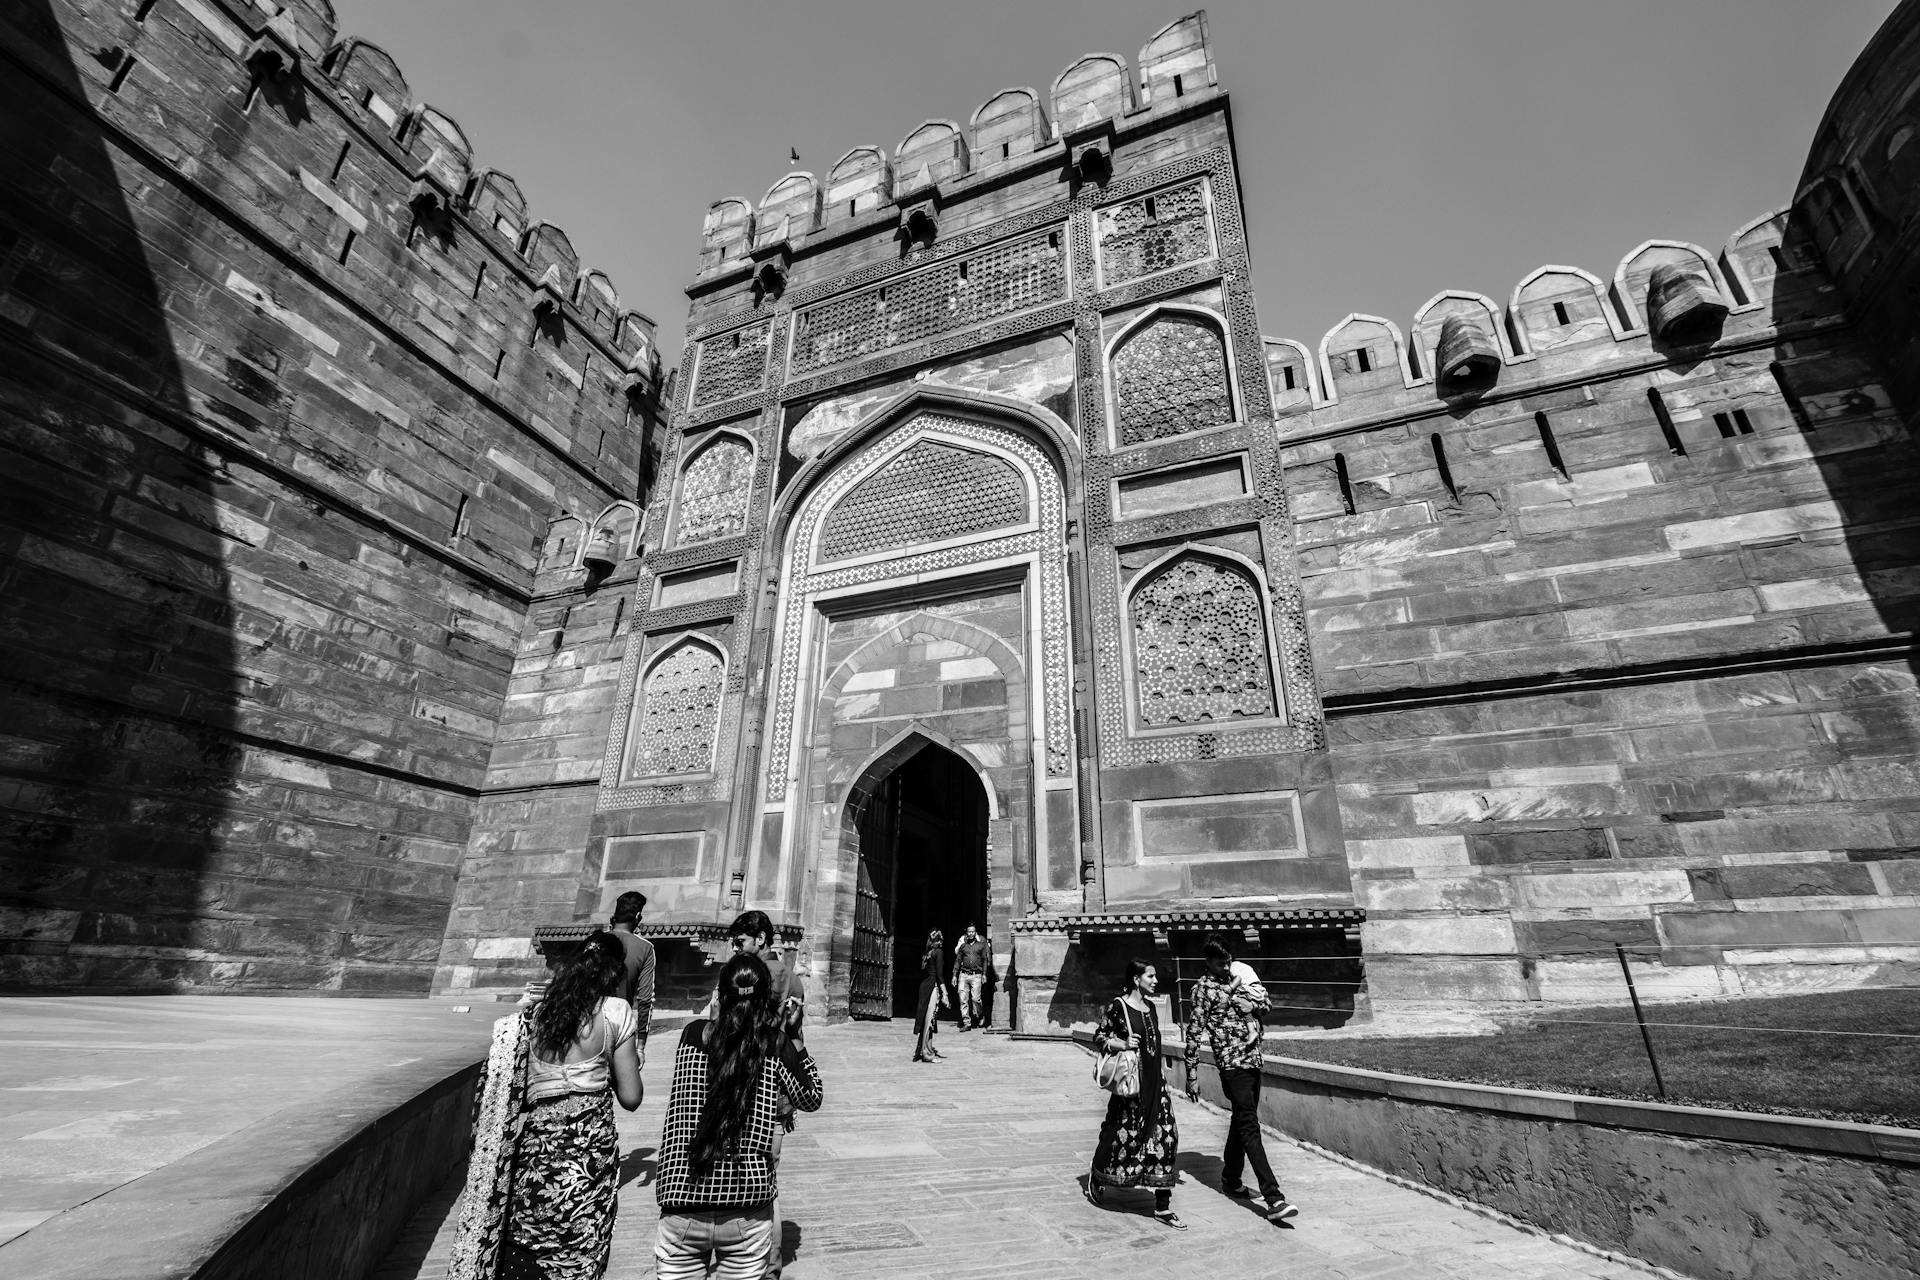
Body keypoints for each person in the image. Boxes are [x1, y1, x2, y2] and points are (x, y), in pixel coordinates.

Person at [449, 929, 644, 1280]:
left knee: (526, 1246)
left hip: (536, 1155)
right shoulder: (615, 1011)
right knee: (576, 1255)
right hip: (585, 1161)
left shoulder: (537, 1017)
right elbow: (631, 1098)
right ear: (614, 974)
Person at [654, 952, 823, 1280]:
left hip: (683, 1197)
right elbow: (811, 1097)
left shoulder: (692, 1037)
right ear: (767, 1000)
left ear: (719, 996)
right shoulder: (774, 1045)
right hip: (747, 1202)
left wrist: (715, 1017)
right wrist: (796, 1039)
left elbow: (723, 1043)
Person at [700, 910, 806, 1278]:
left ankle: (745, 1257)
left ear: (760, 939)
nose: (735, 948)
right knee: (766, 1183)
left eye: (741, 941)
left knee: (741, 1177)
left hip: (735, 1089)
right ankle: (766, 1264)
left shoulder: (744, 977)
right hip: (771, 1095)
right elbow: (794, 1043)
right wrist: (789, 1099)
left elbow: (715, 1031)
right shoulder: (792, 980)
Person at [1182, 936, 1297, 1222]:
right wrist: (1192, 1074)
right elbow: (1194, 1033)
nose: (1226, 967)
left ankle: (1231, 1179)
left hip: (1252, 1059)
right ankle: (1273, 1197)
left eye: (1229, 961)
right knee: (1249, 1125)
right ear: (1208, 962)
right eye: (1221, 963)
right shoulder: (1203, 990)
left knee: (1241, 1119)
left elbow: (1266, 1004)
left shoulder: (1239, 979)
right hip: (1231, 1065)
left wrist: (1253, 1008)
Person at [1086, 957, 1184, 1229]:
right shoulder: (1119, 1006)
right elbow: (1100, 1036)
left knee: (1167, 1137)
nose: (1155, 981)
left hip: (1156, 1085)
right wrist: (1122, 1042)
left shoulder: (1151, 1008)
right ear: (1136, 979)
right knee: (1119, 1136)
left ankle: (1163, 1205)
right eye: (1150, 976)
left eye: (1155, 977)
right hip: (1132, 1087)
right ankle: (1098, 1174)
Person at [610, 890, 656, 1062]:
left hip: (584, 1021)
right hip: (618, 1025)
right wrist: (640, 1047)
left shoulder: (593, 941)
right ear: (638, 916)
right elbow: (645, 1000)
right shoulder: (645, 948)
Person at [912, 928, 946, 1062]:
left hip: (924, 987)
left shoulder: (927, 953)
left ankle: (925, 1049)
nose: (942, 941)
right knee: (929, 1021)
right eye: (941, 938)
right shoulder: (938, 953)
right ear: (938, 940)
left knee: (928, 1020)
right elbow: (939, 975)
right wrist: (945, 993)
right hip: (932, 987)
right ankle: (927, 1054)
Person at [953, 924, 990, 1030]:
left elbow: (984, 960)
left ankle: (980, 1014)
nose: (971, 934)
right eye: (969, 932)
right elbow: (958, 960)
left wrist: (984, 974)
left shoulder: (981, 945)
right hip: (964, 975)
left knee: (975, 999)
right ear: (966, 933)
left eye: (972, 932)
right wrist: (954, 975)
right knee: (963, 999)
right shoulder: (963, 946)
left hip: (976, 975)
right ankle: (966, 1022)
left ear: (975, 933)